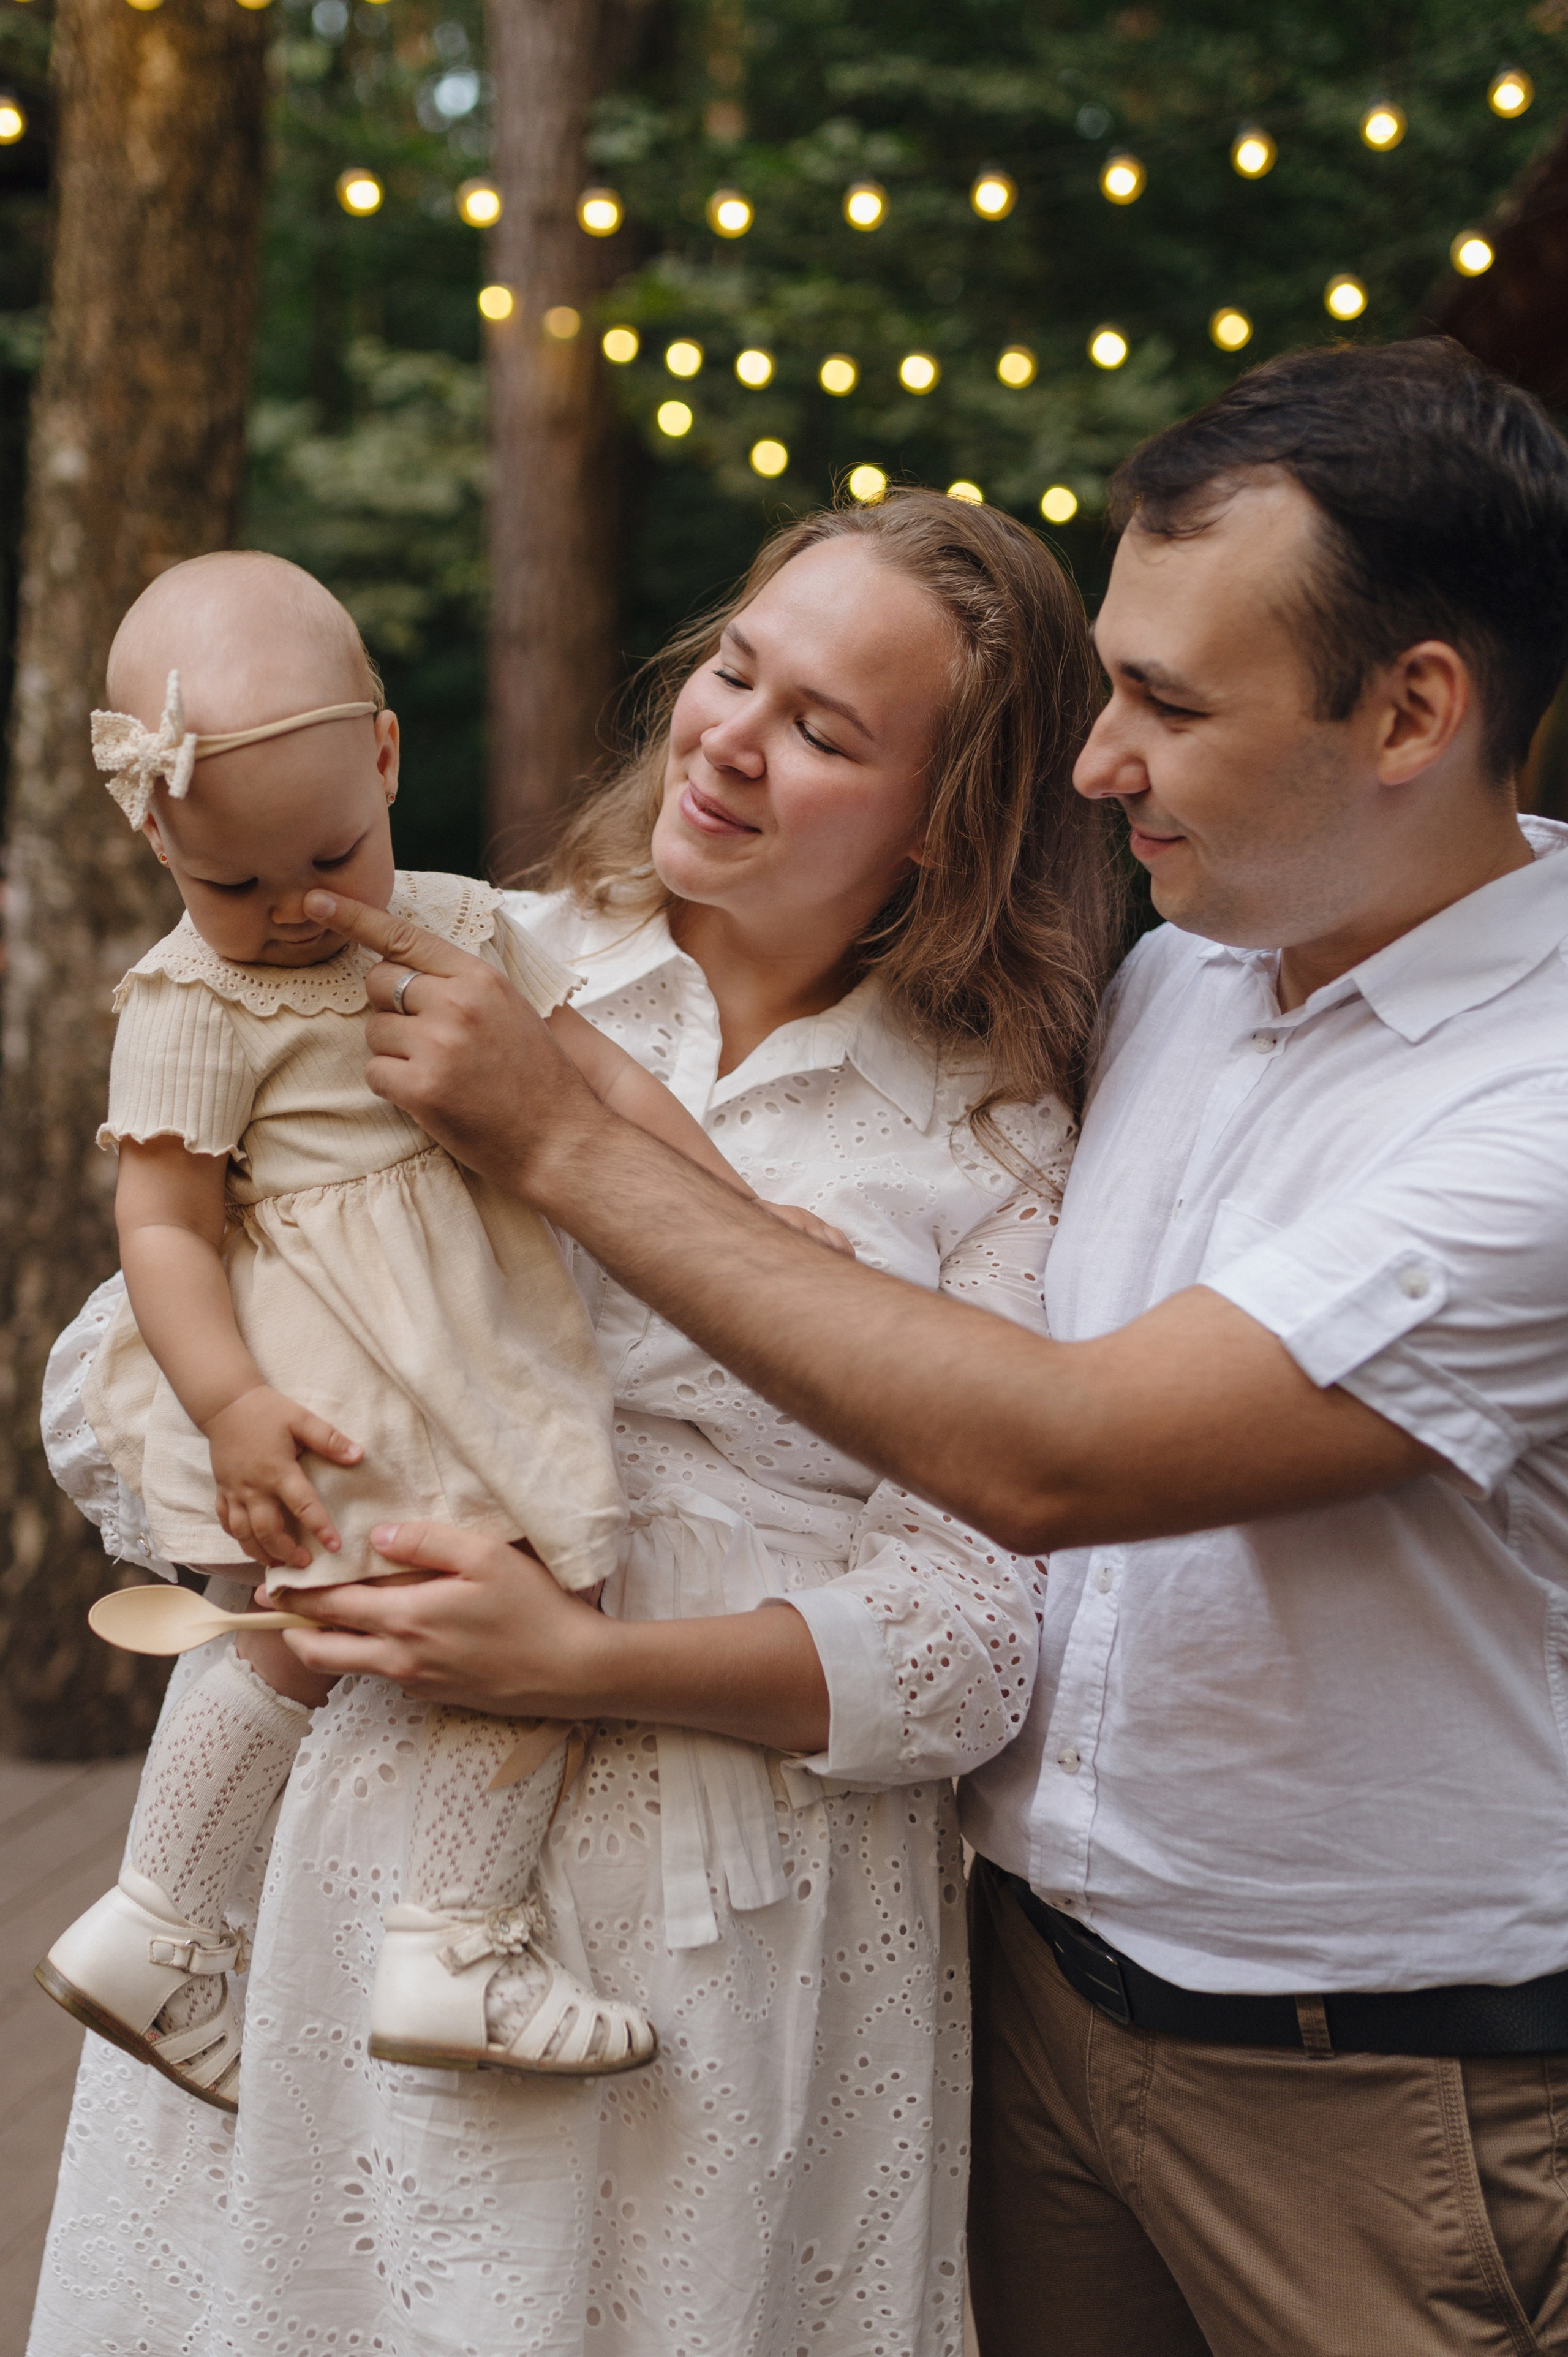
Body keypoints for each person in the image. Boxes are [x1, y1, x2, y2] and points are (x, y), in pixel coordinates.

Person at [262, 340, 1568, 2356]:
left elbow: (1060, 1455)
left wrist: (563, 1143)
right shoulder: (1183, 981)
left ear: (1412, 709)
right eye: (1108, 676)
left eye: (1168, 701)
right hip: (1020, 2008)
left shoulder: (1536, 1115)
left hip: (1380, 2087)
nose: (1094, 758)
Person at [29, 488, 1120, 2355]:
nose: (729, 736)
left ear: (954, 819)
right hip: (354, 1843)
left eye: (823, 729)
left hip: (731, 1929)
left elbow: (972, 1643)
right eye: (735, 668)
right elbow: (109, 1362)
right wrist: (285, 1510)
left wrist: (584, 1657)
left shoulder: (1004, 1138)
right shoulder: (450, 955)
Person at [38, 548, 857, 2111]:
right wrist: (226, 1406)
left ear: (390, 760)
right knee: (525, 1575)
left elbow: (606, 1095)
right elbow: (160, 1225)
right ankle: (453, 1940)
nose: (292, 914)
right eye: (230, 885)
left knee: (290, 1638)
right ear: (152, 835)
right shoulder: (192, 1003)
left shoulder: (467, 928)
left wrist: (740, 1224)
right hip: (335, 1367)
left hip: (442, 1335)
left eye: (331, 861)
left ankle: (159, 1923)